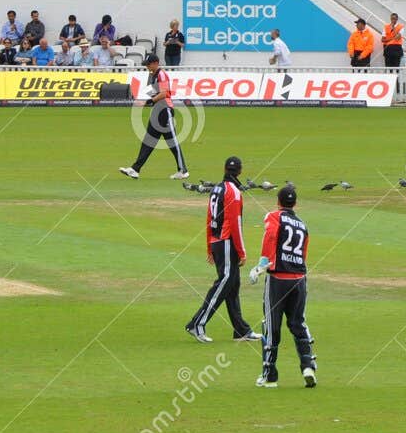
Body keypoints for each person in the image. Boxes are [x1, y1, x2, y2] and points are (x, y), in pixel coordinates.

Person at [184, 156, 261, 344]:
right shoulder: (233, 191)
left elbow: (209, 218)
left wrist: (209, 246)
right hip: (226, 242)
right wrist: (242, 252)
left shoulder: (216, 189)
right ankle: (197, 323)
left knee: (232, 286)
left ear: (225, 169)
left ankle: (241, 330)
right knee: (226, 282)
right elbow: (235, 223)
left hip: (217, 241)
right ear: (240, 171)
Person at [247, 183, 317, 388]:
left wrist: (260, 267)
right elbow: (303, 254)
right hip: (299, 279)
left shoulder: (274, 217)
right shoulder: (303, 225)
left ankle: (269, 376)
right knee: (298, 323)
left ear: (278, 202)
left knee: (271, 327)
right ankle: (308, 366)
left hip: (278, 279)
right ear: (295, 203)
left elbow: (270, 238)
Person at [120, 53, 189, 179]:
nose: (147, 67)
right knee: (148, 141)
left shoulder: (161, 74)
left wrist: (147, 102)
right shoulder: (152, 75)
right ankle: (135, 169)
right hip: (157, 110)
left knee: (172, 141)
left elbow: (163, 94)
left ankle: (183, 170)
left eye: (148, 64)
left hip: (165, 110)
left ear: (155, 63)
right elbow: (152, 91)